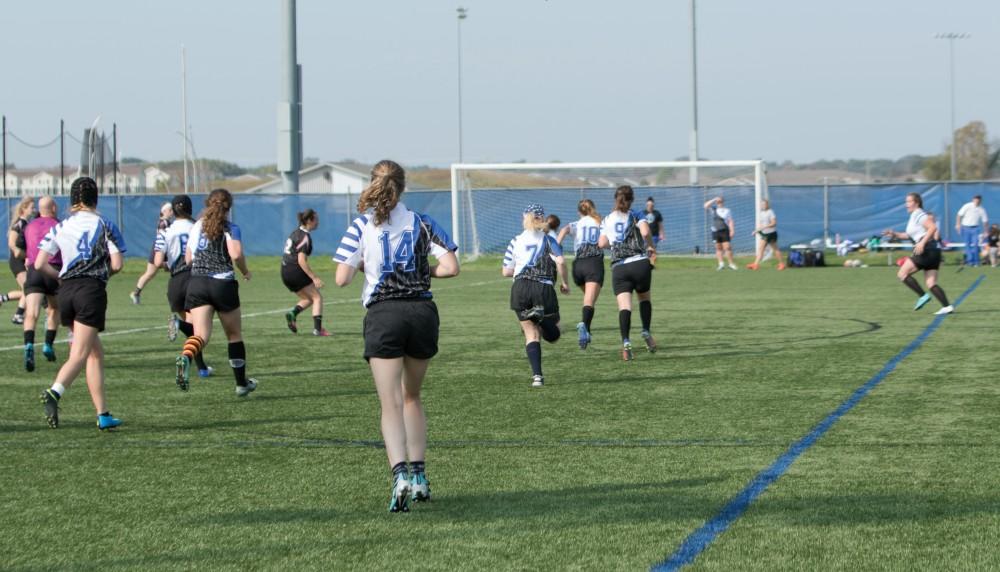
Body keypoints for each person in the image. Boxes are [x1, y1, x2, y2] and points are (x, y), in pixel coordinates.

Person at [333, 160, 459, 513]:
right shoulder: (421, 221)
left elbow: (341, 278)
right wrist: (424, 269)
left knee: (389, 403)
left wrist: (366, 265)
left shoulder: (361, 225)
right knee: (412, 397)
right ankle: (419, 476)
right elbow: (451, 267)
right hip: (421, 312)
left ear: (373, 184)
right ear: (403, 187)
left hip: (384, 314)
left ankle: (400, 475)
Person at [36, 177, 126, 430]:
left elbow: (39, 263)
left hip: (67, 293)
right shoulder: (104, 224)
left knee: (95, 353)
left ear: (72, 199)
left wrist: (61, 278)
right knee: (80, 354)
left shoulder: (60, 226)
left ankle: (103, 414)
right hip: (90, 291)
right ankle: (54, 392)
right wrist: (102, 274)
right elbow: (117, 264)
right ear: (95, 198)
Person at [175, 189, 257, 396]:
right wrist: (245, 271)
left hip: (197, 284)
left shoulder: (197, 226)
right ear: (229, 207)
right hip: (222, 284)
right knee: (234, 335)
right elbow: (236, 254)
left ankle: (186, 356)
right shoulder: (230, 227)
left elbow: (188, 259)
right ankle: (241, 384)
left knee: (201, 334)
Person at [503, 204, 569, 387]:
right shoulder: (548, 239)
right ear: (543, 218)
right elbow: (561, 261)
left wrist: (520, 269)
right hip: (543, 287)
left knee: (531, 334)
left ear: (525, 218)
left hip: (520, 287)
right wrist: (565, 283)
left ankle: (537, 377)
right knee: (553, 335)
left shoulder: (515, 240)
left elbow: (505, 271)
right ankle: (541, 318)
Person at [153, 194, 213, 378]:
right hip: (194, 279)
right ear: (190, 209)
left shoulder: (165, 231)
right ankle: (180, 327)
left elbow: (157, 262)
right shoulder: (198, 228)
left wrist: (168, 264)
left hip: (175, 281)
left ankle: (202, 368)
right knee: (201, 330)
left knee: (193, 330)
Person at [598, 185, 656, 361]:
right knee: (644, 298)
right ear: (631, 199)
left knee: (625, 307)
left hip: (619, 267)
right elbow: (645, 231)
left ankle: (625, 342)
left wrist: (616, 245)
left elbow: (601, 244)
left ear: (615, 199)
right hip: (639, 263)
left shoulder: (607, 219)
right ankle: (646, 331)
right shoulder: (636, 213)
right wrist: (651, 245)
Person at [883, 192, 953, 315]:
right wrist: (894, 234)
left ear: (916, 203)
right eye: (906, 202)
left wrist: (922, 243)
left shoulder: (919, 214)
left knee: (902, 274)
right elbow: (908, 235)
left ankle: (923, 296)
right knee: (931, 283)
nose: (906, 205)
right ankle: (947, 307)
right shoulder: (914, 216)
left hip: (925, 248)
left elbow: (932, 228)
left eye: (909, 202)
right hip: (933, 251)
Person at [556, 199, 604, 349]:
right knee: (589, 301)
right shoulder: (599, 223)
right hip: (593, 263)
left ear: (579, 212)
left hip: (578, 266)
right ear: (593, 209)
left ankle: (586, 330)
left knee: (588, 300)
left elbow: (564, 230)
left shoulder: (577, 224)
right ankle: (584, 327)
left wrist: (557, 246)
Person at [22, 197, 62, 372]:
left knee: (31, 313)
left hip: (33, 270)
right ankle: (47, 345)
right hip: (53, 269)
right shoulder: (60, 225)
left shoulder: (29, 226)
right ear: (53, 207)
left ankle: (29, 346)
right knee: (54, 309)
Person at [282, 209, 329, 336]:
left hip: (285, 271)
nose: (317, 223)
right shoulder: (305, 237)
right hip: (295, 270)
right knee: (317, 297)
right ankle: (318, 330)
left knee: (308, 298)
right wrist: (314, 278)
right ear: (309, 221)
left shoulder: (295, 233)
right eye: (316, 220)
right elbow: (301, 261)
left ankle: (292, 314)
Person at [130, 202, 173, 304]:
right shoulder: (164, 223)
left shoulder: (166, 222)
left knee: (151, 273)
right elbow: (164, 238)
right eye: (169, 210)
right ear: (164, 211)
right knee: (150, 273)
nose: (172, 212)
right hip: (160, 249)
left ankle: (136, 293)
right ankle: (136, 293)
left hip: (161, 248)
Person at [4, 196, 35, 324]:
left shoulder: (28, 224)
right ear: (24, 208)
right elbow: (12, 242)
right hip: (17, 262)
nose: (34, 210)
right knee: (28, 289)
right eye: (32, 207)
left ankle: (2, 298)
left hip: (23, 262)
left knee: (27, 290)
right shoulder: (19, 224)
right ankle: (18, 314)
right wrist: (18, 251)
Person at [747, 198, 786, 271]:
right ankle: (755, 264)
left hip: (771, 233)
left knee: (773, 249)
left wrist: (765, 227)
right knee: (762, 248)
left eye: (764, 204)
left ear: (767, 205)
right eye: (762, 204)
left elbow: (774, 223)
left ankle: (781, 264)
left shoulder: (770, 212)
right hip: (765, 233)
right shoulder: (762, 213)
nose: (763, 205)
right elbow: (762, 225)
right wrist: (756, 231)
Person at [703, 196, 737, 270]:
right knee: (718, 248)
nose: (719, 203)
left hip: (724, 230)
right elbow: (705, 205)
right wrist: (714, 199)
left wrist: (732, 230)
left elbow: (730, 221)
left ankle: (731, 264)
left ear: (723, 202)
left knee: (727, 247)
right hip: (715, 231)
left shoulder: (727, 210)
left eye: (720, 201)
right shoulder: (713, 209)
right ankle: (721, 264)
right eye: (718, 201)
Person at [955, 195, 988, 267]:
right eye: (976, 199)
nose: (977, 201)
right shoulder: (967, 206)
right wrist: (958, 225)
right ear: (973, 199)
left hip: (975, 228)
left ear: (980, 201)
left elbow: (985, 221)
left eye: (979, 200)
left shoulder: (981, 209)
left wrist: (986, 231)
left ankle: (976, 262)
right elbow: (959, 215)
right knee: (967, 245)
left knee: (976, 244)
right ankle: (970, 262)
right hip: (965, 228)